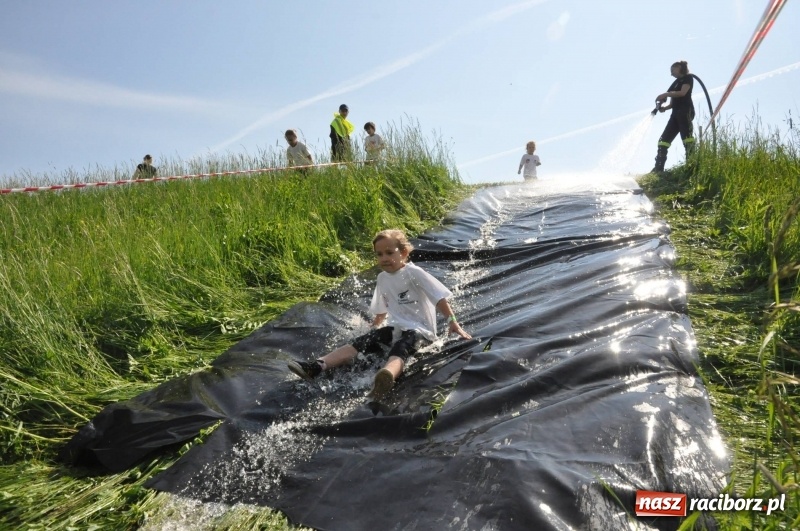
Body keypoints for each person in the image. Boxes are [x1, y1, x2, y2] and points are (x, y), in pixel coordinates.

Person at [287, 229, 472, 397]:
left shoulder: (414, 273)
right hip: (395, 326)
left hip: (421, 331)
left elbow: (438, 298)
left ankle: (386, 376)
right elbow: (382, 306)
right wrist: (376, 324)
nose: (384, 258)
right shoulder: (382, 278)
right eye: (379, 254)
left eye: (390, 253)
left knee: (402, 347)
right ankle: (317, 366)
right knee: (363, 342)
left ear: (404, 253)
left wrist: (452, 321)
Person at [651, 60, 695, 174]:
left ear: (679, 67)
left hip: (685, 111)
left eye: (672, 70)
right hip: (675, 114)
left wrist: (665, 94)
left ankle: (691, 167)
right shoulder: (675, 83)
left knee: (687, 139)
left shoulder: (688, 78)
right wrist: (663, 107)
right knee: (663, 141)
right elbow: (672, 103)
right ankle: (658, 169)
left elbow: (682, 93)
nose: (671, 74)